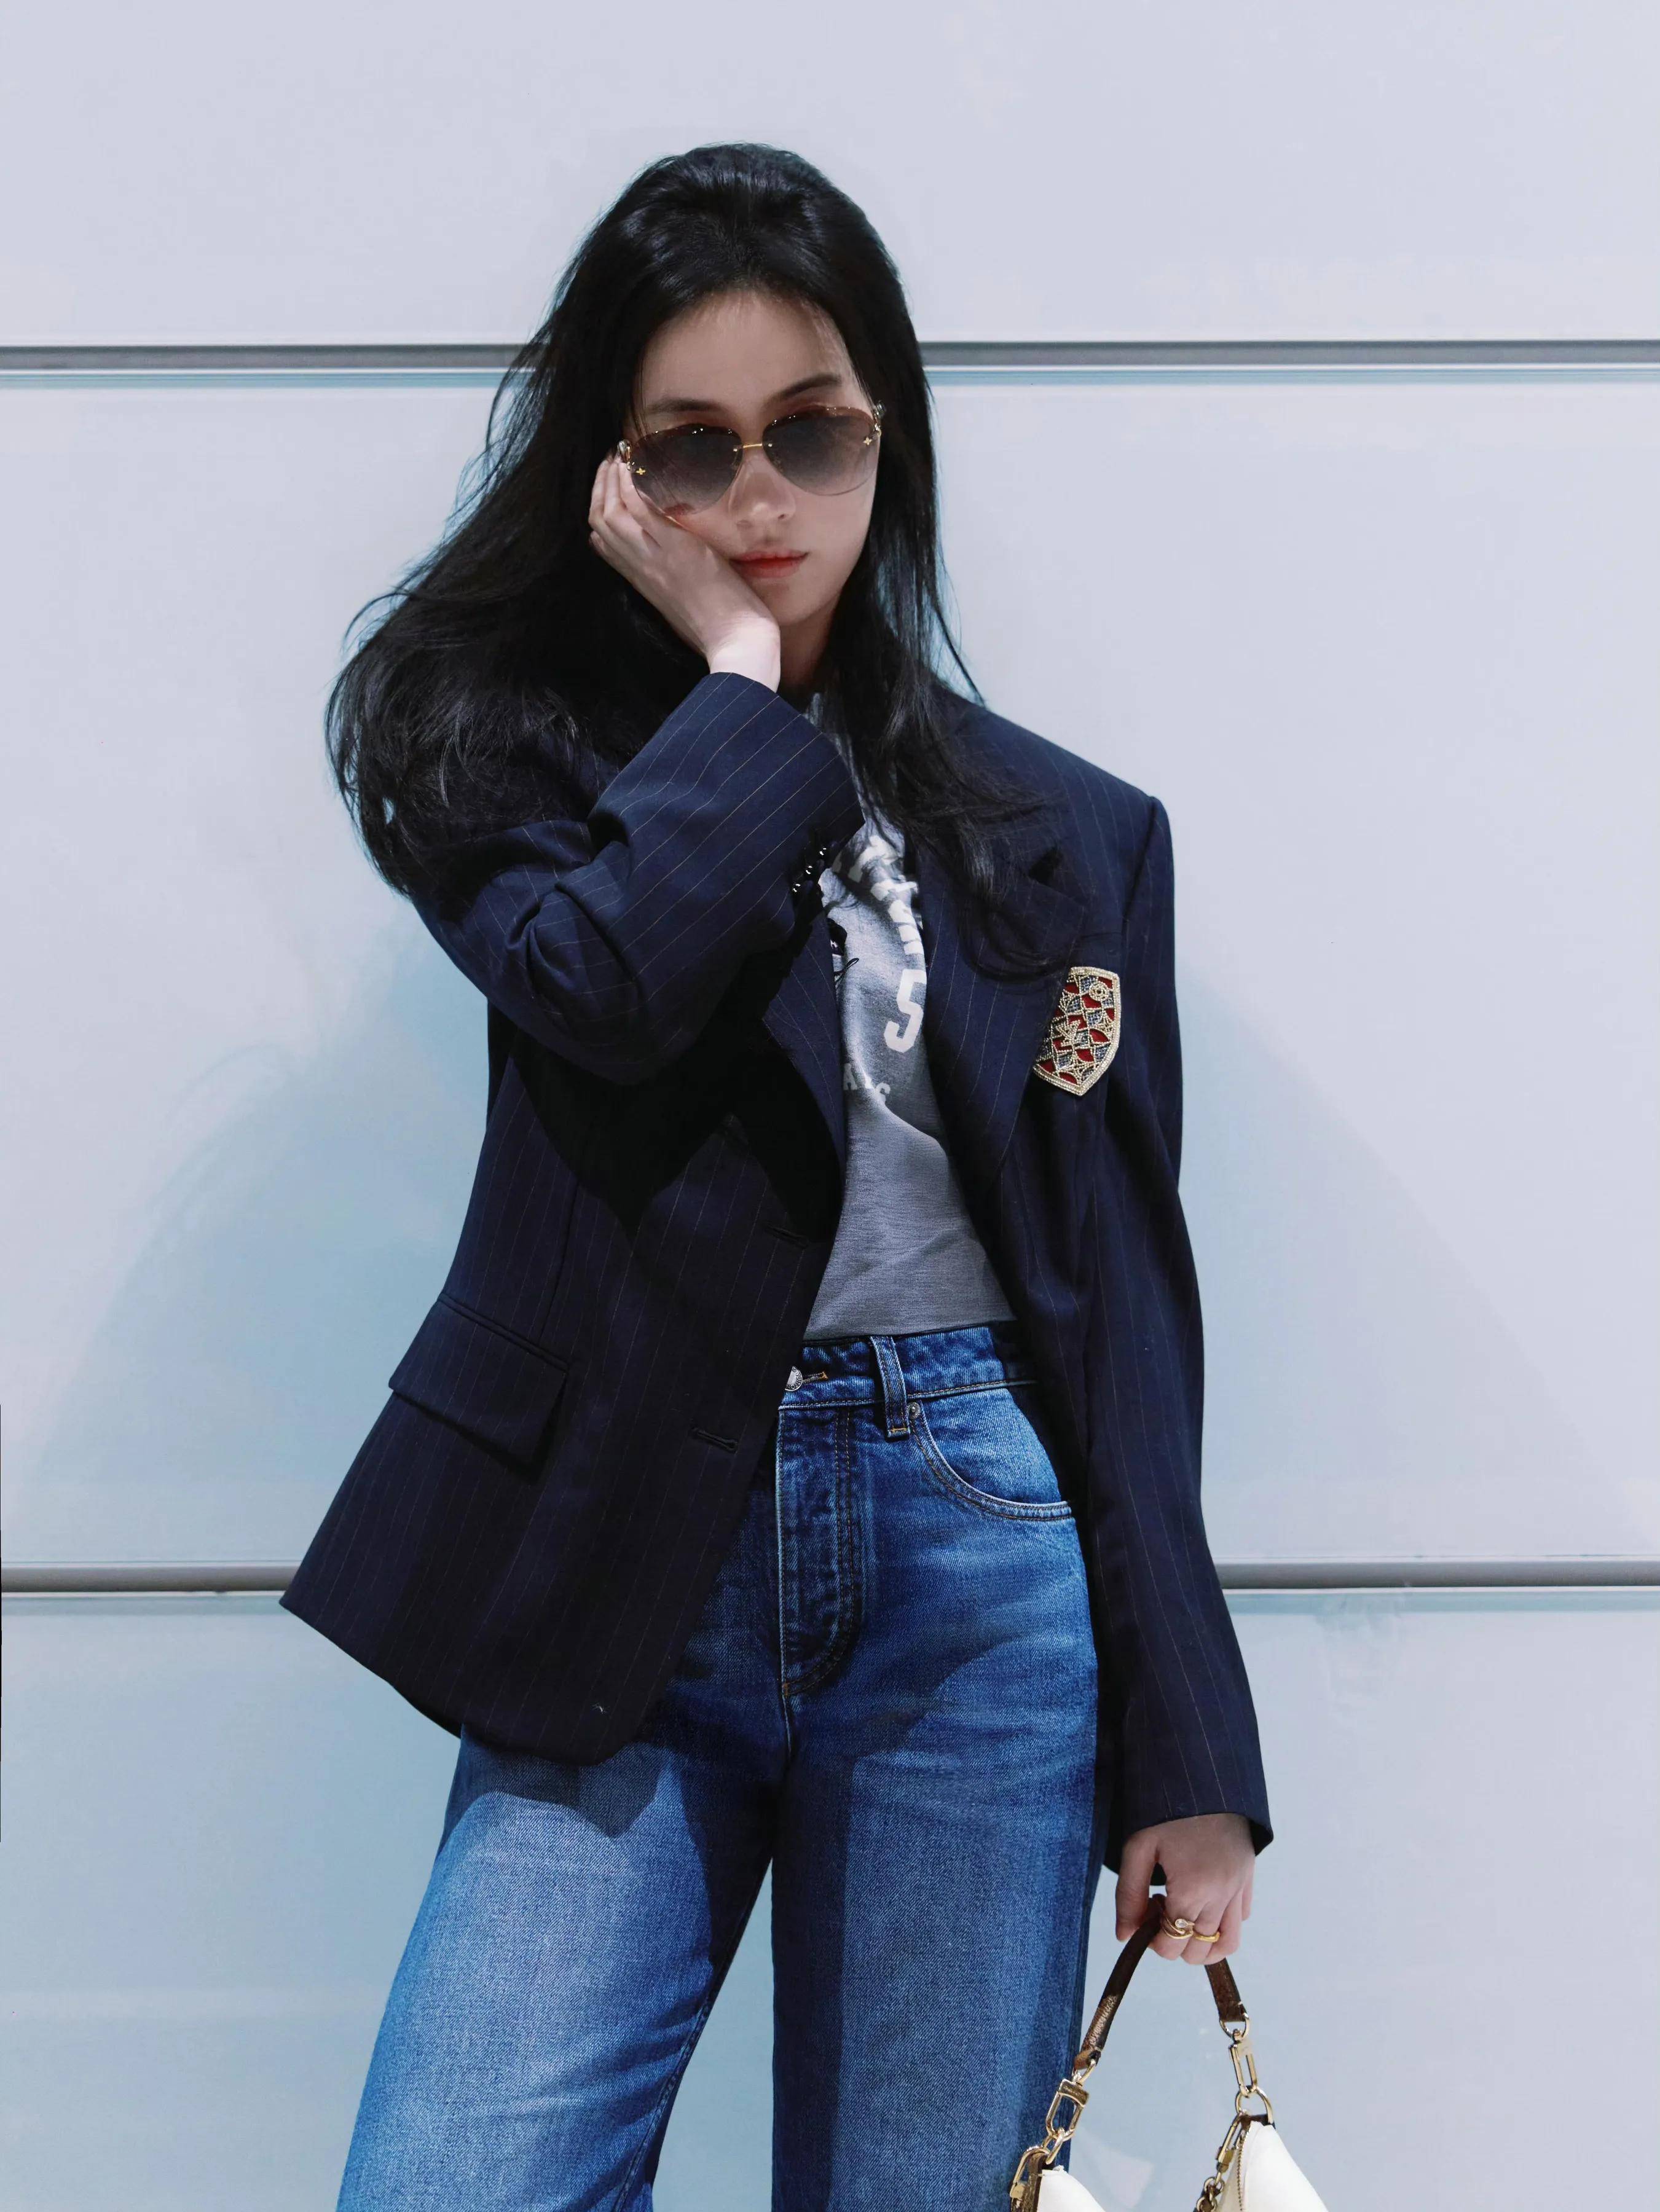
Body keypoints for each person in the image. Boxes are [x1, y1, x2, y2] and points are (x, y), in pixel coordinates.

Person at [280, 140, 1273, 2211]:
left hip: (978, 1559)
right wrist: (736, 683)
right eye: (693, 448)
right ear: (609, 469)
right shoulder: (493, 757)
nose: (761, 499)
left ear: (885, 438)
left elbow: (1119, 1301)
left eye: (812, 434)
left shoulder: (1069, 835)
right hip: (632, 1535)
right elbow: (607, 984)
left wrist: (1190, 1753)